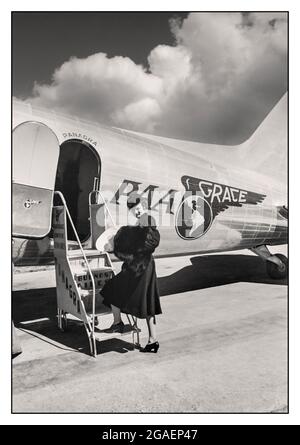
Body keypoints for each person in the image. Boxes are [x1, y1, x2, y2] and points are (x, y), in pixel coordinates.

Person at [101, 193, 161, 353]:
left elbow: (150, 243)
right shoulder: (141, 222)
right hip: (141, 267)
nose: (136, 210)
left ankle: (119, 324)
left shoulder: (146, 221)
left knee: (112, 289)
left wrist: (119, 248)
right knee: (146, 302)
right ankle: (151, 340)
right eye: (133, 209)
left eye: (138, 207)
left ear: (144, 206)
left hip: (141, 268)